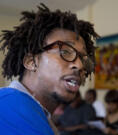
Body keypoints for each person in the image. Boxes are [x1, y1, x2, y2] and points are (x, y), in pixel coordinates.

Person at [0, 3, 99, 135]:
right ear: (31, 62)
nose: (80, 65)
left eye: (83, 58)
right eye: (65, 52)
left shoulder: (37, 114)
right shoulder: (9, 107)